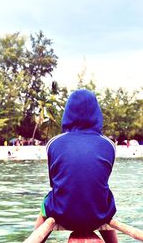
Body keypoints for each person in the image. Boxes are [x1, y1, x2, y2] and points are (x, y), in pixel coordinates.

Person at [35, 89, 118, 242]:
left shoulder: (54, 143)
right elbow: (100, 181)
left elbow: (55, 182)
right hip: (98, 216)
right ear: (97, 114)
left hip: (63, 214)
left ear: (67, 113)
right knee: (102, 196)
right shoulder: (109, 145)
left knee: (45, 203)